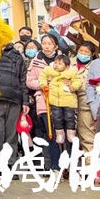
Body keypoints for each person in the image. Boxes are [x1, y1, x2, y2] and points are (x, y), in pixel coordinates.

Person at [0, 43, 28, 166]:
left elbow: (23, 80)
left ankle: (10, 164)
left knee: (11, 134)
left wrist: (25, 101)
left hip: (14, 100)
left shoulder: (17, 56)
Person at [26, 34, 62, 171]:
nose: (46, 46)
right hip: (44, 102)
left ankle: (65, 165)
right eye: (44, 43)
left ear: (56, 46)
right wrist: (43, 84)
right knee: (49, 134)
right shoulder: (35, 62)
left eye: (50, 43)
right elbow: (29, 81)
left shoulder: (62, 60)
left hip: (62, 101)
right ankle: (52, 165)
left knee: (63, 133)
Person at [40, 54, 81, 155]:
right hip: (55, 101)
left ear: (67, 66)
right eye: (56, 63)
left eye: (60, 63)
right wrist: (44, 85)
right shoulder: (49, 70)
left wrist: (72, 87)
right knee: (56, 117)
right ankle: (59, 133)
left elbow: (78, 81)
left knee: (70, 117)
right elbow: (42, 78)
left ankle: (71, 133)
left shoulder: (71, 72)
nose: (57, 65)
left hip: (69, 101)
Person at [74, 40, 97, 152]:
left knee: (87, 136)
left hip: (85, 105)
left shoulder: (94, 66)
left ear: (92, 54)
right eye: (81, 51)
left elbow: (90, 86)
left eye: (86, 52)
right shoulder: (69, 63)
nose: (82, 54)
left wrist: (73, 85)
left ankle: (90, 164)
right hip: (69, 105)